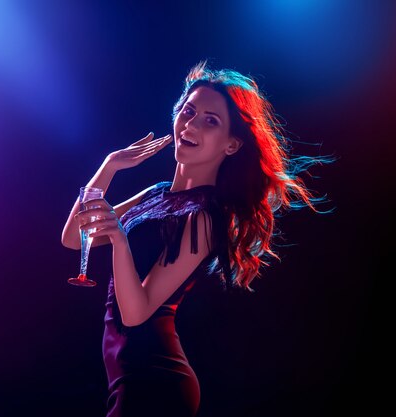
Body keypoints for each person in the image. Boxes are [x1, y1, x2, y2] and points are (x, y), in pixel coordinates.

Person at [61, 61, 331, 417]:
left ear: (232, 145)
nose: (191, 124)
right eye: (188, 111)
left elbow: (137, 311)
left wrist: (120, 241)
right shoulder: (155, 193)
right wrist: (109, 166)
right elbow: (74, 238)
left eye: (211, 120)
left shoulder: (204, 217)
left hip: (155, 382)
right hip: (127, 375)